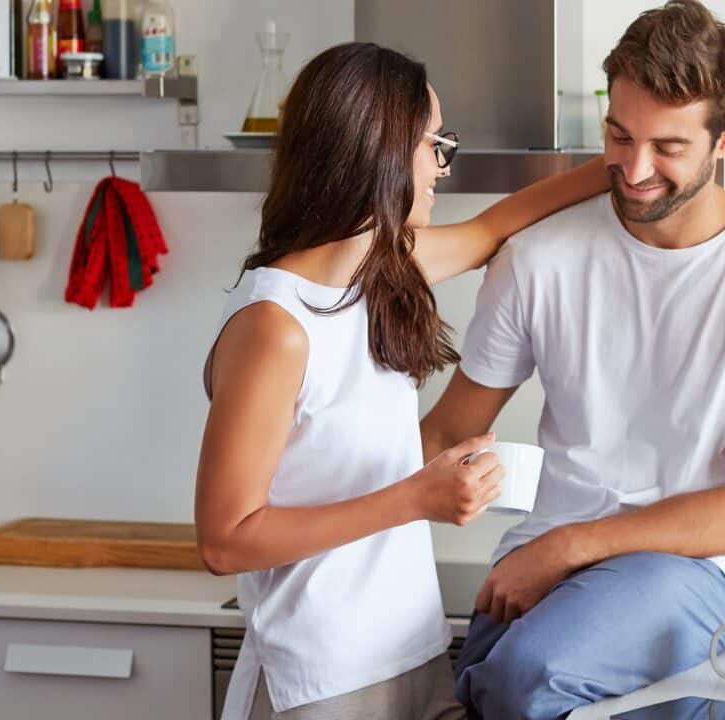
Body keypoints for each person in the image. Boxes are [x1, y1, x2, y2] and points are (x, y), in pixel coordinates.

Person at [420, 2, 725, 718]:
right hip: (542, 572)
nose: (636, 168)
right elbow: (443, 436)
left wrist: (571, 547)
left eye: (669, 147)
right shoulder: (539, 259)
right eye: (619, 135)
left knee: (524, 678)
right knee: (501, 676)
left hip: (692, 571)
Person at [194, 42, 607, 720]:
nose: (442, 165)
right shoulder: (275, 325)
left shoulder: (376, 274)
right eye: (433, 143)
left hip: (410, 654)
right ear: (382, 150)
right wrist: (417, 496)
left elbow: (492, 230)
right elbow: (224, 539)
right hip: (323, 680)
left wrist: (620, 166)